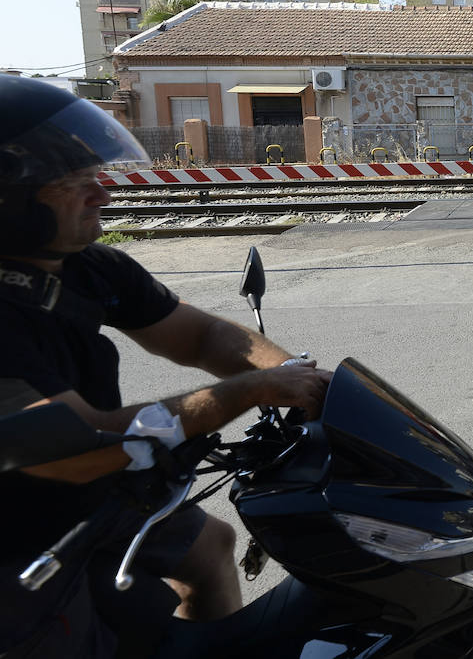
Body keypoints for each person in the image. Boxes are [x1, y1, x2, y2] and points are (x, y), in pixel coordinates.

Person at [0, 75, 331, 657]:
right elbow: (75, 451)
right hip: (18, 534)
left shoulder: (86, 267)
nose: (101, 196)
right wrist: (243, 394)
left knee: (206, 547)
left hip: (92, 495)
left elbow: (202, 335)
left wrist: (305, 380)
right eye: (75, 185)